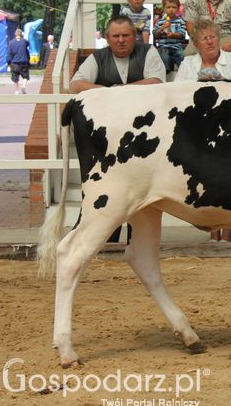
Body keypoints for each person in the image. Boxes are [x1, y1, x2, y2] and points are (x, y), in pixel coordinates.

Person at [70, 15, 165, 242]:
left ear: (134, 36)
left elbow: (156, 81)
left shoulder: (148, 52)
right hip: (109, 141)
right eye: (116, 36)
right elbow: (76, 84)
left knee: (140, 193)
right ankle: (107, 243)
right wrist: (107, 91)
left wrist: (120, 91)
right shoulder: (98, 57)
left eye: (126, 35)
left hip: (144, 139)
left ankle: (137, 243)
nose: (121, 40)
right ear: (107, 38)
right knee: (109, 192)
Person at [175, 19, 231, 241]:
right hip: (199, 131)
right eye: (204, 38)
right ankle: (213, 234)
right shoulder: (188, 64)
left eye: (213, 37)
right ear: (196, 44)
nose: (209, 41)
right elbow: (177, 95)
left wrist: (224, 82)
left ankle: (227, 236)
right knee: (207, 184)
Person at [154, 0, 187, 81]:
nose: (171, 9)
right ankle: (167, 72)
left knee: (181, 56)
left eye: (174, 7)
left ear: (178, 8)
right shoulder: (160, 22)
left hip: (177, 46)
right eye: (168, 7)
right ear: (164, 8)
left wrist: (173, 35)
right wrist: (161, 28)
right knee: (164, 56)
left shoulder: (180, 21)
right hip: (164, 46)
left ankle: (184, 72)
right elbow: (155, 34)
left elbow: (182, 34)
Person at [7, 29, 30, 95]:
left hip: (14, 63)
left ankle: (16, 91)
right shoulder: (24, 42)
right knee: (25, 77)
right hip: (23, 62)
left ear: (15, 34)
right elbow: (28, 44)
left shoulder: (11, 42)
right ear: (21, 34)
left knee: (15, 79)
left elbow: (9, 53)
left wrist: (8, 62)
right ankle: (23, 86)